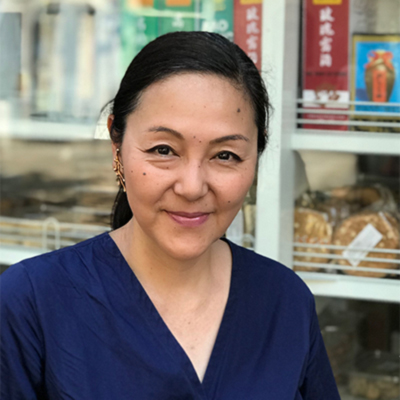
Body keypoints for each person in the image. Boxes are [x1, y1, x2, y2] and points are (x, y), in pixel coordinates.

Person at [0, 32, 340, 399]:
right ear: (117, 146)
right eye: (163, 149)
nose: (192, 187)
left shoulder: (284, 301)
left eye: (225, 155)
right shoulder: (31, 301)